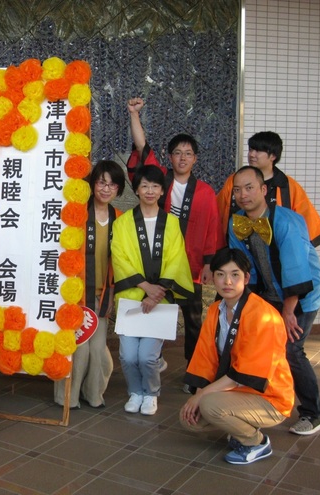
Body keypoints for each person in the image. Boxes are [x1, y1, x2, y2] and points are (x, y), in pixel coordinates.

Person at [127, 98, 221, 388]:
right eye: (177, 153)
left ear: (195, 159)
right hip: (158, 266)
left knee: (193, 323)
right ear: (169, 157)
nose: (182, 158)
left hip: (190, 268)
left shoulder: (205, 192)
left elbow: (212, 229)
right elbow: (142, 147)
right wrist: (134, 114)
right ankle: (152, 362)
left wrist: (208, 263)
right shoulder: (160, 182)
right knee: (155, 315)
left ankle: (194, 373)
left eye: (188, 154)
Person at [227, 166, 320, 436]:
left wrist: (289, 312)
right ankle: (262, 404)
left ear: (263, 190)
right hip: (269, 293)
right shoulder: (237, 222)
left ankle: (314, 413)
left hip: (303, 294)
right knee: (260, 346)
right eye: (237, 190)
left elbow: (296, 268)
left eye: (249, 188)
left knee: (292, 350)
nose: (243, 195)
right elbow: (242, 267)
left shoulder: (287, 221)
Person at [180, 248, 294, 465]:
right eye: (220, 274)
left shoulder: (263, 314)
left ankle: (256, 442)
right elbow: (205, 358)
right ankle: (241, 425)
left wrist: (201, 397)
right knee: (189, 419)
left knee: (209, 405)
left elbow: (245, 374)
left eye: (235, 274)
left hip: (269, 396)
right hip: (238, 392)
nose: (227, 282)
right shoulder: (215, 310)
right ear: (213, 277)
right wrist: (198, 394)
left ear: (246, 278)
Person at [111, 166, 193, 416]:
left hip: (160, 299)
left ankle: (151, 393)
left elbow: (177, 258)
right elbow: (119, 256)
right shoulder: (123, 222)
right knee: (127, 356)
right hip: (131, 297)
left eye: (155, 186)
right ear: (136, 190)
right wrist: (145, 287)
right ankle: (135, 392)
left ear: (162, 191)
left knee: (147, 356)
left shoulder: (172, 223)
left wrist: (157, 293)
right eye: (144, 185)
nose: (149, 190)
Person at [54, 160, 125, 409]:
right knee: (78, 348)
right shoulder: (77, 213)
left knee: (97, 350)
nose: (106, 189)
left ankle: (93, 394)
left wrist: (116, 291)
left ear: (119, 189)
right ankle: (67, 397)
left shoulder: (120, 218)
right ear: (92, 184)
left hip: (103, 293)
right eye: (101, 182)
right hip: (75, 292)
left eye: (112, 185)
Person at [217, 131, 320, 247]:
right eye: (250, 149)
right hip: (238, 249)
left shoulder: (288, 186)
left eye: (258, 150)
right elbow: (216, 213)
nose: (251, 154)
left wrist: (298, 251)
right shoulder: (233, 181)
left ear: (273, 156)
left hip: (278, 250)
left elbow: (307, 222)